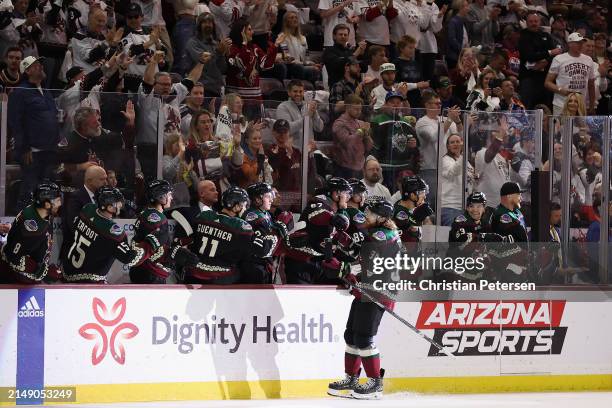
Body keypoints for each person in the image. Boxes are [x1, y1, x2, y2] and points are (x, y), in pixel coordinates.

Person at [328, 196, 399, 399]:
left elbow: (367, 261)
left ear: (381, 217)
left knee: (363, 338)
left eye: (369, 212)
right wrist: (344, 242)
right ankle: (351, 378)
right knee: (351, 335)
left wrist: (344, 268)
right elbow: (359, 253)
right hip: (365, 290)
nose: (365, 215)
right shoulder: (376, 233)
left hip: (378, 292)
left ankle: (375, 384)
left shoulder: (384, 234)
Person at [62, 186, 162, 283]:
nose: (121, 205)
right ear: (109, 207)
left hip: (67, 272)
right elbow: (130, 258)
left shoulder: (87, 209)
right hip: (90, 282)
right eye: (118, 203)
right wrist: (150, 244)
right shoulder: (114, 233)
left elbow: (76, 226)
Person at [137, 50, 208, 180]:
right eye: (163, 84)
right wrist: (153, 61)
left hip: (174, 151)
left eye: (168, 84)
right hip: (151, 152)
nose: (167, 87)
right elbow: (147, 80)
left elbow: (191, 79)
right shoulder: (147, 96)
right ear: (154, 84)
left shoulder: (174, 93)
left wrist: (201, 62)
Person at [182, 186, 266, 284]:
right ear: (237, 206)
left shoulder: (204, 216)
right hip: (221, 278)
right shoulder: (239, 225)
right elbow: (260, 250)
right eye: (244, 205)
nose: (245, 209)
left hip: (195, 273)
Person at [8, 56, 61, 212]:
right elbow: (15, 122)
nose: (41, 67)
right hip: (32, 153)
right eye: (37, 65)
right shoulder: (20, 92)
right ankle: (20, 225)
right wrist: (24, 148)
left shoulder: (45, 91)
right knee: (29, 191)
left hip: (49, 151)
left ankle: (44, 229)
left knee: (48, 192)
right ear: (28, 70)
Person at [284, 177, 353, 284]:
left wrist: (331, 258)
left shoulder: (336, 210)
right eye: (346, 193)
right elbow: (317, 216)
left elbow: (329, 237)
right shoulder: (320, 202)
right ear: (336, 193)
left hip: (317, 262)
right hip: (300, 262)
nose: (348, 197)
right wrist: (333, 218)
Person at [130, 180, 199, 284]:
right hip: (150, 273)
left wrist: (177, 244)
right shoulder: (156, 217)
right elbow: (154, 249)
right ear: (160, 197)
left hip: (145, 271)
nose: (171, 198)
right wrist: (175, 253)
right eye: (169, 195)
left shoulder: (149, 213)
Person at [0, 182, 62, 283]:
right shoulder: (31, 225)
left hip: (26, 278)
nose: (60, 204)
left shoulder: (42, 213)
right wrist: (41, 271)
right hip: (15, 280)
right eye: (57, 200)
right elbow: (14, 257)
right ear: (47, 204)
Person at [225, 18, 279, 119]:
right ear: (241, 32)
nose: (252, 32)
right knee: (238, 130)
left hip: (256, 99)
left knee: (256, 131)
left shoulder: (254, 48)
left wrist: (275, 46)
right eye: (249, 29)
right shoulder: (232, 48)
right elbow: (241, 63)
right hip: (237, 100)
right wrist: (244, 44)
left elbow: (266, 65)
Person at [241, 182, 294, 283]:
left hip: (264, 264)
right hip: (255, 266)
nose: (271, 199)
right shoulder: (252, 216)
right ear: (257, 199)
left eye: (272, 196)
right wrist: (281, 227)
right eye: (268, 196)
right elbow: (264, 248)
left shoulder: (266, 214)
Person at [446, 191, 501, 281]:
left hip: (477, 269)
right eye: (471, 206)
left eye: (479, 206)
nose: (475, 210)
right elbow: (462, 240)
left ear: (484, 208)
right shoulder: (460, 220)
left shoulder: (485, 223)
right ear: (467, 208)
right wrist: (483, 237)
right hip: (457, 267)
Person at [545, 32, 596, 116]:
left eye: (581, 43)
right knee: (560, 128)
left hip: (580, 104)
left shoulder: (588, 60)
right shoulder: (559, 59)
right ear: (570, 44)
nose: (580, 45)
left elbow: (591, 85)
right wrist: (562, 90)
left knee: (580, 128)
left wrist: (591, 105)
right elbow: (547, 83)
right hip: (561, 103)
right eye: (577, 43)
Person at [518, 11, 561, 109]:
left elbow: (556, 54)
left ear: (540, 22)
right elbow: (529, 55)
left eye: (536, 21)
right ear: (527, 23)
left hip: (545, 77)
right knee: (527, 106)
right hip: (528, 76)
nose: (534, 23)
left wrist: (545, 61)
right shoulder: (523, 36)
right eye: (531, 21)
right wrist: (549, 53)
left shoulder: (546, 35)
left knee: (546, 106)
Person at [489, 181, 529, 282]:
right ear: (509, 196)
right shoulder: (500, 213)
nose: (521, 198)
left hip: (520, 258)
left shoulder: (517, 212)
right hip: (505, 261)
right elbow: (517, 233)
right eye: (519, 195)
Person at [185, 13, 229, 100]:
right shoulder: (193, 43)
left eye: (210, 22)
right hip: (200, 88)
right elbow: (204, 63)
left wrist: (223, 54)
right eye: (204, 22)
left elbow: (223, 68)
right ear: (199, 25)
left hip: (216, 88)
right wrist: (218, 52)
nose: (208, 25)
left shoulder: (216, 44)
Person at [332, 94, 374, 179]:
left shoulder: (360, 123)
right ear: (347, 108)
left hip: (359, 167)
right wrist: (360, 132)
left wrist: (366, 135)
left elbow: (369, 147)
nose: (359, 112)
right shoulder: (339, 124)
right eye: (356, 109)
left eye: (360, 109)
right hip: (344, 168)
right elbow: (347, 143)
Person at [276, 80, 324, 146]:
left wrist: (315, 113)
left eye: (300, 91)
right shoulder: (282, 107)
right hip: (292, 151)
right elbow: (287, 129)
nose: (298, 94)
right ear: (289, 92)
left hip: (308, 150)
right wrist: (307, 117)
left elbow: (319, 128)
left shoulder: (308, 106)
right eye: (295, 91)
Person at [322, 24, 367, 89]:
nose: (343, 37)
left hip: (355, 87)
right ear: (334, 36)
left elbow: (364, 69)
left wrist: (362, 54)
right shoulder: (329, 51)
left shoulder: (350, 51)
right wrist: (355, 54)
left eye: (345, 35)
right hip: (338, 87)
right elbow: (338, 65)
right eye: (340, 34)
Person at [393, 175, 433, 243]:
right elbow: (411, 235)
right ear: (412, 195)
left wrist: (426, 219)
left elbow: (430, 232)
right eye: (421, 193)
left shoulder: (416, 208)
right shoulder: (399, 213)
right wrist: (417, 221)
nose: (424, 196)